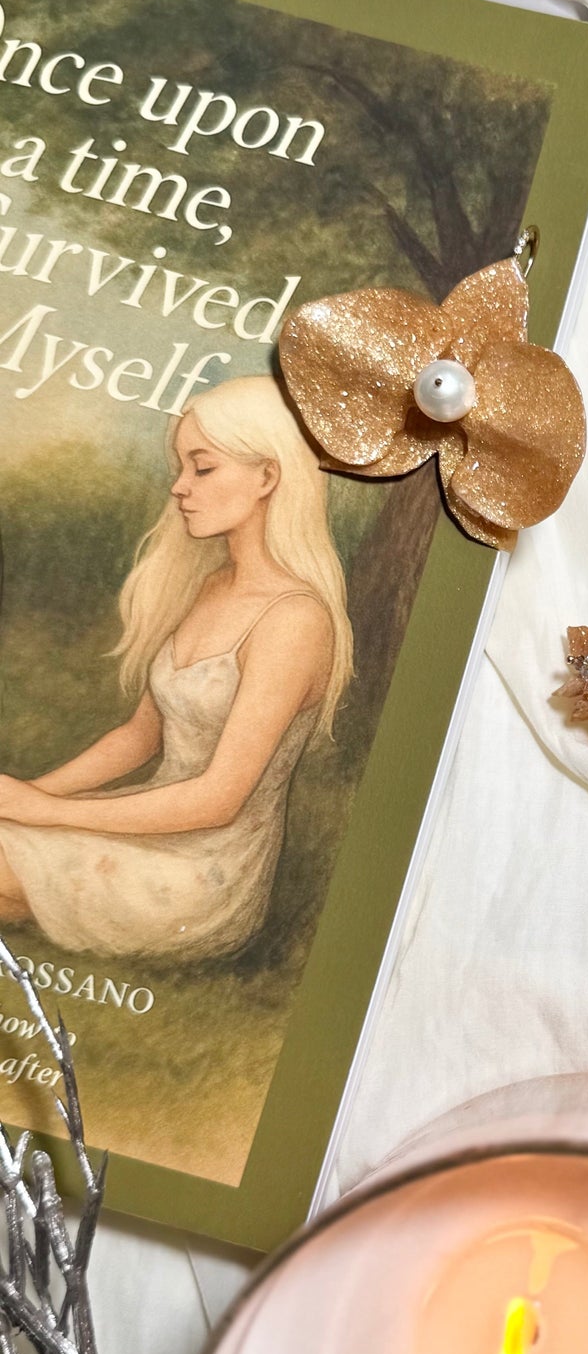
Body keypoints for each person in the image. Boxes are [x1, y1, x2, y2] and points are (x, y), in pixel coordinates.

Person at [0, 375, 354, 960]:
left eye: (202, 468)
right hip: (145, 826)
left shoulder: (295, 621)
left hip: (202, 873)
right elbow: (138, 738)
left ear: (267, 476)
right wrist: (29, 794)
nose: (179, 488)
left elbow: (220, 799)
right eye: (181, 468)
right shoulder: (211, 586)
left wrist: (46, 812)